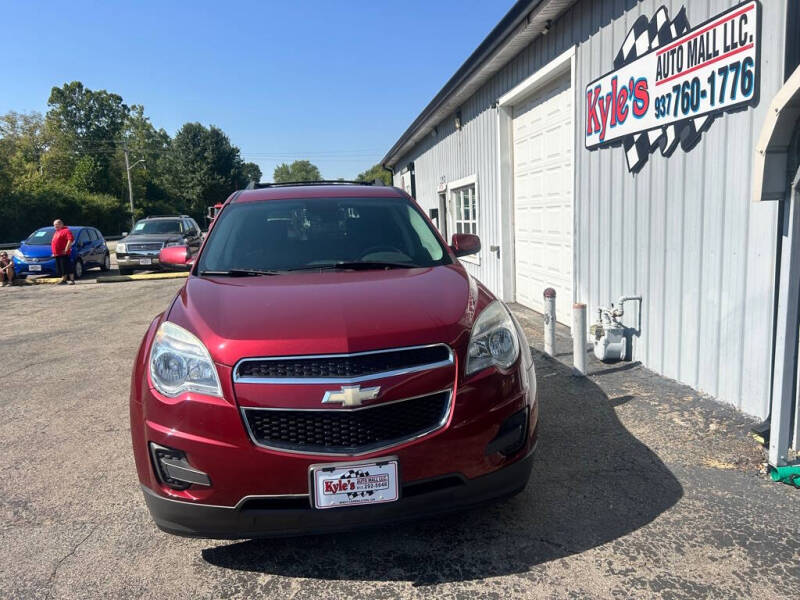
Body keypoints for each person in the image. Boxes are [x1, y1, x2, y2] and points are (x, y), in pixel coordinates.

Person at [51, 219, 75, 285]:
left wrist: (66, 249)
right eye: (54, 225)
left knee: (67, 267)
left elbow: (70, 240)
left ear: (61, 224)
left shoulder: (66, 231)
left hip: (63, 253)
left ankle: (72, 280)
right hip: (57, 254)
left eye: (56, 224)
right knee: (61, 268)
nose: (55, 226)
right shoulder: (57, 232)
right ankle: (64, 280)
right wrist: (54, 252)